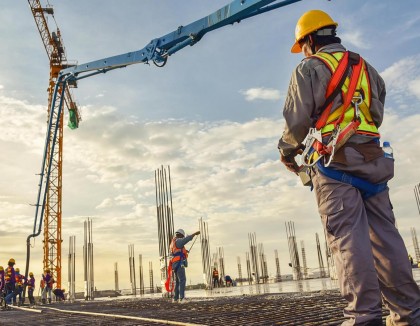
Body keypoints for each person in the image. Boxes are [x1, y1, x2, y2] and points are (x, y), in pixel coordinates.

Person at [277, 9, 420, 326]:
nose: (301, 51)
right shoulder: (368, 69)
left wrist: (287, 152)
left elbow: (297, 120)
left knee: (348, 242)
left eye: (302, 45)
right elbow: (375, 114)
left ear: (310, 39)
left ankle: (363, 318)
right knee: (387, 241)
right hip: (374, 163)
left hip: (334, 165)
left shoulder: (310, 68)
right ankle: (409, 315)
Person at [169, 228, 200, 303]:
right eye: (182, 236)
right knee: (182, 280)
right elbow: (186, 239)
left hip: (175, 264)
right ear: (180, 235)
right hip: (179, 264)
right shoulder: (178, 240)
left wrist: (185, 252)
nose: (183, 238)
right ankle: (182, 298)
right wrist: (195, 234)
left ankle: (176, 299)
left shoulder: (173, 242)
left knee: (178, 282)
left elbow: (176, 252)